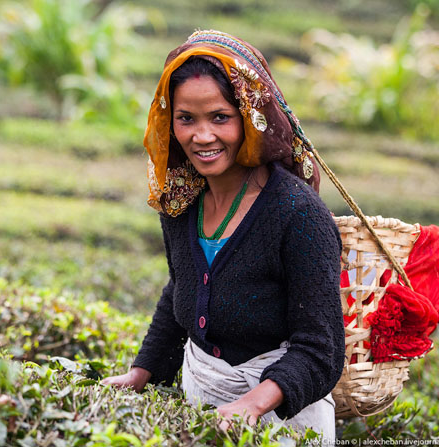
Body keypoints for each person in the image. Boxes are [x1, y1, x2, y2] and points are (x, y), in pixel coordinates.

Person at [102, 30, 344, 441]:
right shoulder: (180, 203)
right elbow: (182, 287)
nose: (202, 136)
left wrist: (252, 403)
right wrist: (142, 372)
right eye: (186, 119)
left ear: (250, 118)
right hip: (203, 403)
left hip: (282, 421)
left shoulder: (298, 215)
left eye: (220, 117)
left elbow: (321, 350)